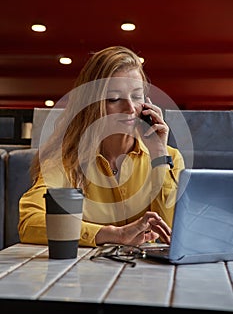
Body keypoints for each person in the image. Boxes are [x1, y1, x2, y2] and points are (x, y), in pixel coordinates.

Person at [18, 45, 185, 248]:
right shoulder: (66, 160)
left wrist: (159, 155)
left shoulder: (169, 158)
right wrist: (110, 234)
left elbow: (174, 232)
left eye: (137, 96)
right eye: (114, 99)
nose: (130, 109)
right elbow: (30, 222)